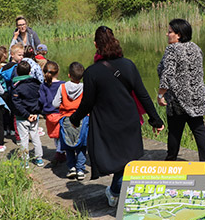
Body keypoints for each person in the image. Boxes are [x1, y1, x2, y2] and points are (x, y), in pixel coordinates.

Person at [70, 26, 164, 207]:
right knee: (127, 161)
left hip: (106, 123)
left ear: (96, 44)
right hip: (129, 119)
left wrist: (75, 119)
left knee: (119, 162)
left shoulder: (92, 72)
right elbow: (143, 94)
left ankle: (115, 192)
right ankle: (115, 191)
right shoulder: (128, 65)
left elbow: (87, 103)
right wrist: (155, 119)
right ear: (115, 41)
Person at [157, 18, 205, 162]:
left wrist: (160, 94)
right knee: (199, 130)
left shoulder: (172, 49)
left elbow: (167, 74)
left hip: (178, 99)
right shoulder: (195, 47)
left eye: (169, 32)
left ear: (178, 35)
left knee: (175, 131)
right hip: (197, 96)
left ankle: (170, 161)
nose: (167, 34)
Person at [53, 62, 87, 180]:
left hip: (66, 118)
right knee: (82, 145)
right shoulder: (84, 87)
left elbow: (55, 103)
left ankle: (71, 167)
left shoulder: (62, 87)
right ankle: (81, 169)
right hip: (82, 118)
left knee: (68, 144)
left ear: (69, 75)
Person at [11, 61, 44, 167]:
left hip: (22, 117)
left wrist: (26, 115)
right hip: (35, 115)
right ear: (30, 71)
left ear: (17, 72)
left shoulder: (16, 86)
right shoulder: (36, 84)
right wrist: (36, 112)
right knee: (35, 137)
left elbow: (16, 103)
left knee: (23, 139)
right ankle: (39, 158)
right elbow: (41, 99)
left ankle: (25, 161)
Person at [39, 61, 66, 165]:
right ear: (57, 72)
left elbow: (41, 100)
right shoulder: (63, 84)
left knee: (55, 135)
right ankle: (60, 152)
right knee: (62, 134)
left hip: (49, 114)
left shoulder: (43, 86)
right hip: (61, 113)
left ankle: (59, 151)